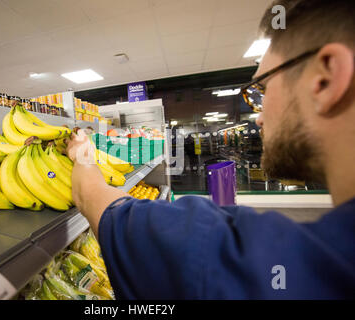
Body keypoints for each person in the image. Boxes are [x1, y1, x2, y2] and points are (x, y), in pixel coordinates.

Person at [65, 0, 355, 299]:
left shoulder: (228, 255)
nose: (258, 115)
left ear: (326, 78)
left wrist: (83, 155)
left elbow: (97, 202)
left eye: (263, 89)